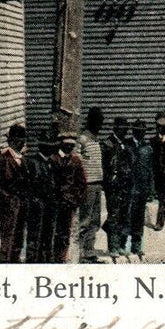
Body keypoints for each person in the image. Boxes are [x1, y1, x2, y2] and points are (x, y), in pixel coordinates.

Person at [0, 124, 26, 263]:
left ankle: (15, 259)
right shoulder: (2, 157)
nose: (22, 143)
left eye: (23, 139)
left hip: (22, 201)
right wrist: (7, 197)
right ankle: (4, 260)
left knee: (20, 233)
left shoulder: (23, 157)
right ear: (12, 140)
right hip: (7, 202)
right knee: (8, 232)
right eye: (19, 140)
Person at [74, 108, 106, 263]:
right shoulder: (83, 139)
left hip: (97, 184)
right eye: (98, 122)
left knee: (95, 220)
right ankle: (79, 254)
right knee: (84, 220)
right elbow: (77, 162)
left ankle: (89, 252)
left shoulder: (95, 140)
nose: (100, 126)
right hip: (87, 185)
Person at [51, 132, 88, 264]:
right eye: (67, 145)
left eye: (72, 146)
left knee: (66, 231)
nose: (69, 148)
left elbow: (82, 182)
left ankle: (62, 257)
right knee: (53, 230)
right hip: (55, 202)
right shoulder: (54, 159)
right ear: (61, 144)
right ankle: (52, 257)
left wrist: (76, 199)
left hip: (69, 203)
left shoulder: (76, 160)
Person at [21, 138, 56, 264]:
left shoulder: (51, 162)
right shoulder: (32, 162)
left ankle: (46, 259)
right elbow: (29, 184)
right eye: (49, 146)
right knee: (35, 233)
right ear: (42, 147)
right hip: (37, 203)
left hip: (50, 203)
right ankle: (32, 259)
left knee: (48, 232)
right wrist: (34, 199)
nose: (52, 149)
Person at [102, 117, 132, 260]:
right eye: (122, 128)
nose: (125, 131)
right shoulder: (108, 144)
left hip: (125, 185)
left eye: (126, 128)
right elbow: (104, 167)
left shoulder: (124, 144)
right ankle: (113, 246)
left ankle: (121, 244)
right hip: (113, 186)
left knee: (124, 214)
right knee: (114, 215)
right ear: (115, 129)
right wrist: (110, 179)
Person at [125, 120, 153, 261]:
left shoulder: (147, 148)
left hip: (142, 187)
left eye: (142, 131)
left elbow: (150, 170)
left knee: (139, 217)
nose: (140, 133)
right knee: (127, 216)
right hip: (129, 187)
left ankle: (137, 245)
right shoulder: (127, 145)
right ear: (133, 131)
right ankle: (123, 245)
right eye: (138, 130)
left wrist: (151, 189)